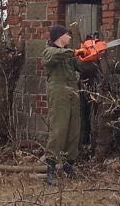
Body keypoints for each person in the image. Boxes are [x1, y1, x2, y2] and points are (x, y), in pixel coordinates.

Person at [43, 25, 86, 185]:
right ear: (60, 37)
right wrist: (75, 52)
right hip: (58, 91)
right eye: (67, 35)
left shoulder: (68, 55)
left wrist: (89, 54)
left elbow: (83, 67)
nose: (69, 37)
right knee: (58, 129)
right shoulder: (50, 51)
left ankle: (69, 166)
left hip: (72, 92)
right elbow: (54, 56)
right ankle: (50, 169)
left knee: (74, 130)